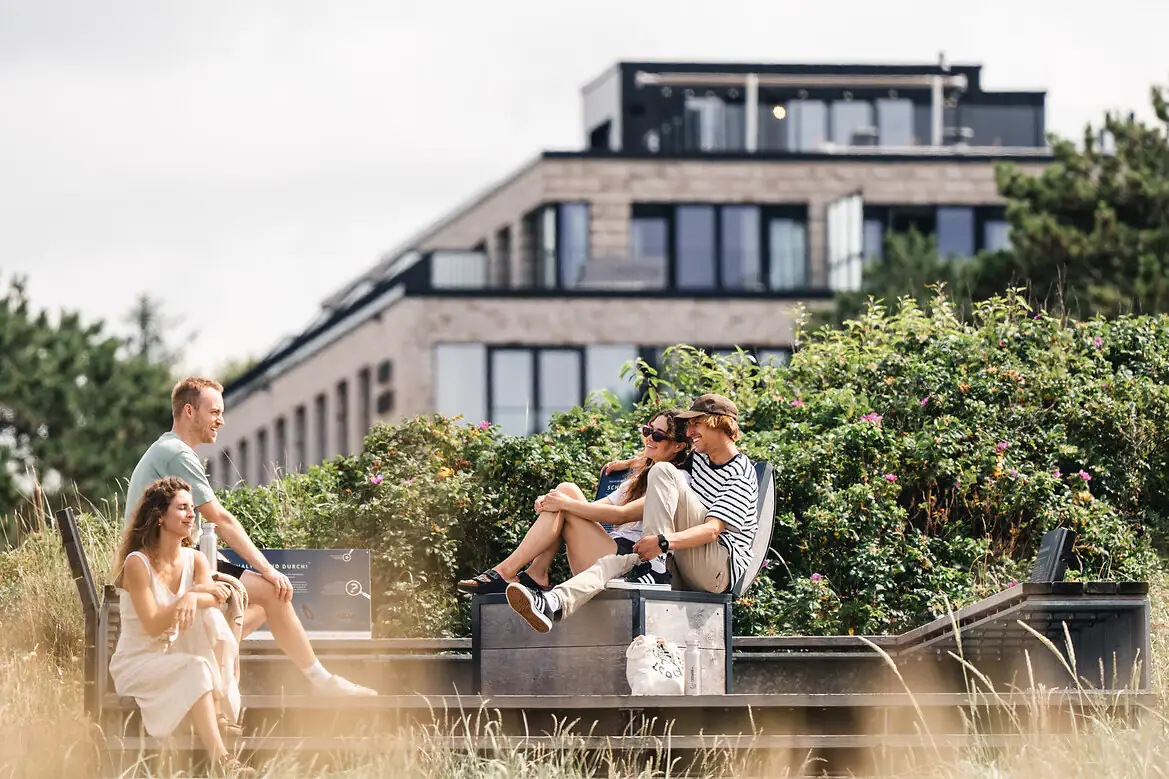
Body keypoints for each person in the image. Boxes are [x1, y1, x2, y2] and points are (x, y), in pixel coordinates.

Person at [123, 377, 375, 696]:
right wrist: (267, 569)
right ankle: (323, 683)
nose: (221, 420)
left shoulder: (167, 449)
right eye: (214, 411)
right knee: (273, 591)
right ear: (189, 411)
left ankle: (204, 656)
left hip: (166, 558)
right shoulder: (177, 454)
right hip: (160, 566)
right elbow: (221, 519)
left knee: (261, 605)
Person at [504, 394, 759, 632]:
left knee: (662, 473)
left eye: (696, 425)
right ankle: (552, 603)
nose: (690, 432)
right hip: (680, 559)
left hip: (715, 569)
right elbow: (664, 456)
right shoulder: (701, 458)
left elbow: (712, 529)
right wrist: (628, 463)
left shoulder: (740, 474)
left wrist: (662, 542)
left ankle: (655, 568)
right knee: (615, 563)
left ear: (718, 424)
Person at [110, 477, 255, 777]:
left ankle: (218, 698)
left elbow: (213, 598)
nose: (192, 515)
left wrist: (192, 596)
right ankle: (224, 761)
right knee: (195, 667)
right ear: (160, 516)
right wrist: (188, 598)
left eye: (192, 508)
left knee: (211, 619)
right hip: (139, 662)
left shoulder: (197, 560)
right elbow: (151, 624)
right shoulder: (137, 564)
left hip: (180, 655)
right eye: (182, 508)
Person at [457, 410, 691, 594]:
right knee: (566, 490)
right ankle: (536, 573)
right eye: (647, 430)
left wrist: (563, 504)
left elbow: (621, 515)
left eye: (658, 435)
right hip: (607, 551)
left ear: (679, 446)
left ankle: (508, 571)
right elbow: (598, 509)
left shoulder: (676, 479)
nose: (649, 437)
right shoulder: (640, 476)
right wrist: (554, 501)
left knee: (566, 500)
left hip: (630, 565)